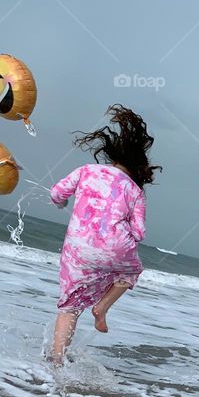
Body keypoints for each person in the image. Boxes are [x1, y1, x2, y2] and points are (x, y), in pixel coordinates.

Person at [48, 105, 161, 363]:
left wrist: (62, 204)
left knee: (70, 307)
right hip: (116, 247)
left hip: (78, 248)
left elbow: (56, 194)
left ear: (112, 156)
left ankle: (56, 362)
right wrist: (120, 231)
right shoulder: (135, 191)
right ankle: (102, 307)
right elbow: (140, 233)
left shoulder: (87, 171)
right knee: (130, 272)